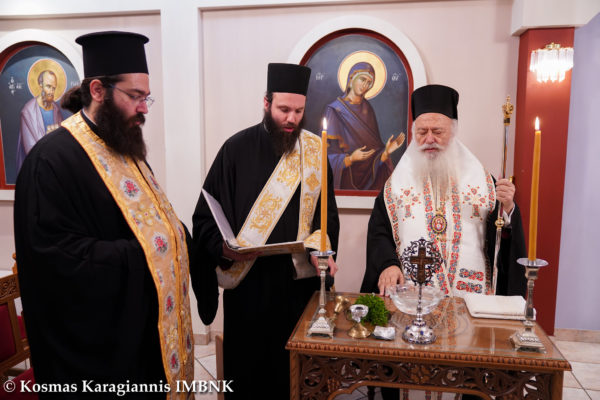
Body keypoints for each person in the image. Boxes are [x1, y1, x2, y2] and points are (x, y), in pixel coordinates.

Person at [14, 31, 195, 399]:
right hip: (101, 354)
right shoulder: (51, 160)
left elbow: (156, 224)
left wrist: (186, 242)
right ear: (98, 90)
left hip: (144, 333)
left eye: (146, 98)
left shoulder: (124, 149)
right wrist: (145, 253)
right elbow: (55, 259)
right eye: (135, 96)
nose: (144, 108)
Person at [360, 84, 526, 400]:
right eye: (422, 132)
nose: (429, 139)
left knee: (466, 379)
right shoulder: (396, 185)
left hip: (468, 299)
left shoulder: (483, 181)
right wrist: (388, 264)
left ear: (453, 130)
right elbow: (379, 231)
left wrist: (508, 209)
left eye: (438, 131)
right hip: (411, 300)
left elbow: (502, 236)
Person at [192, 63, 340, 399]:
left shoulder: (315, 151)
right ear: (266, 103)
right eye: (283, 109)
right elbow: (205, 217)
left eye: (298, 111)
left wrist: (324, 250)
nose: (291, 119)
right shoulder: (235, 149)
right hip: (249, 287)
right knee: (250, 375)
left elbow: (327, 218)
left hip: (298, 287)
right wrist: (222, 248)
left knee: (297, 376)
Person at [323, 61, 404, 191]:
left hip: (369, 177)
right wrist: (350, 159)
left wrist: (385, 152)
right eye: (362, 79)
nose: (365, 85)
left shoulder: (367, 108)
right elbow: (325, 156)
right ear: (351, 79)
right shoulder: (334, 110)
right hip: (345, 177)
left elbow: (374, 152)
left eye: (369, 82)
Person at [16, 69, 64, 173]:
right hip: (36, 169)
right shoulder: (28, 111)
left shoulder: (56, 109)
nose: (51, 92)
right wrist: (50, 137)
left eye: (54, 88)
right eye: (48, 86)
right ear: (40, 85)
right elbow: (30, 149)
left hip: (55, 166)